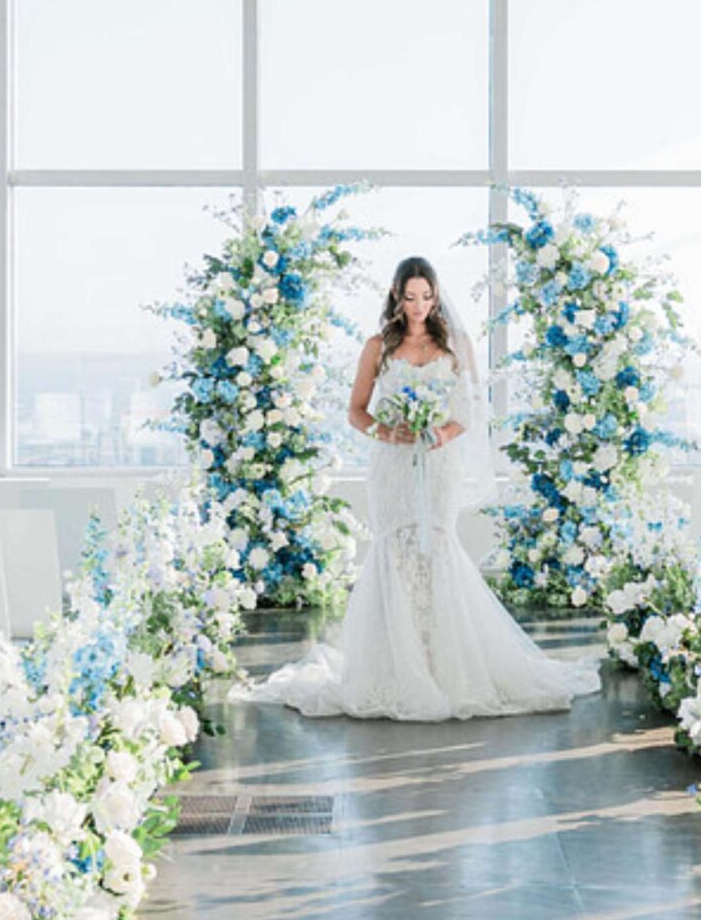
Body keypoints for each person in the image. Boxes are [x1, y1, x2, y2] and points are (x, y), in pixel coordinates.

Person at [234, 256, 600, 722]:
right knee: (395, 550)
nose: (419, 306)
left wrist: (442, 433)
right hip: (393, 467)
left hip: (439, 464)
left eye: (426, 296)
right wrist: (389, 432)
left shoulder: (455, 345)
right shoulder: (378, 347)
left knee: (438, 545)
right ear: (396, 296)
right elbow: (356, 411)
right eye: (410, 297)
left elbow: (470, 410)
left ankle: (444, 664)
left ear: (436, 295)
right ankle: (395, 667)